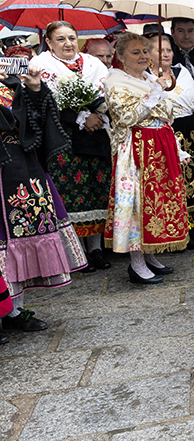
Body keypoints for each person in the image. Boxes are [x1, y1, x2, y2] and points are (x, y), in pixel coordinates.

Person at [0, 49, 87, 335]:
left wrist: (34, 88)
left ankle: (13, 309)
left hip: (24, 170)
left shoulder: (12, 82)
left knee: (25, 235)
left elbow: (35, 125)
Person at [103, 32, 189, 284]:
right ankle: (136, 263)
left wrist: (159, 90)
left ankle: (150, 255)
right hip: (136, 149)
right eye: (135, 52)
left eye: (144, 51)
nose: (142, 56)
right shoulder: (115, 81)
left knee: (158, 202)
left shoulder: (151, 78)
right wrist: (155, 92)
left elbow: (168, 113)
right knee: (137, 204)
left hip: (159, 145)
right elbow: (127, 116)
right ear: (120, 56)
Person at [32, 21, 113, 270]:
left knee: (97, 188)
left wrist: (99, 115)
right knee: (71, 193)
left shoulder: (92, 63)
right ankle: (75, 252)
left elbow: (109, 92)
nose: (67, 43)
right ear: (49, 42)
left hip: (96, 135)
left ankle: (96, 249)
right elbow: (45, 104)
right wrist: (78, 117)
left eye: (71, 37)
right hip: (62, 138)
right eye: (60, 39)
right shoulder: (42, 65)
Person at [152, 35, 194, 242]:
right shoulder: (144, 78)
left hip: (190, 131)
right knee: (172, 180)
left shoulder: (182, 72)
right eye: (159, 50)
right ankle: (174, 228)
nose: (166, 54)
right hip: (164, 132)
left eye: (168, 50)